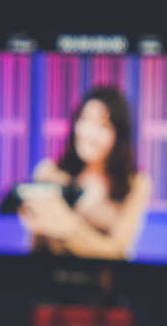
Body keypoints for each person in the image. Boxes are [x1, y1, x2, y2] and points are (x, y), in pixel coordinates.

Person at [11, 82, 156, 260]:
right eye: (85, 120)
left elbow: (118, 252)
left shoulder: (137, 183)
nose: (89, 133)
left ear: (119, 134)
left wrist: (67, 227)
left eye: (103, 125)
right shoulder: (49, 171)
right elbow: (36, 247)